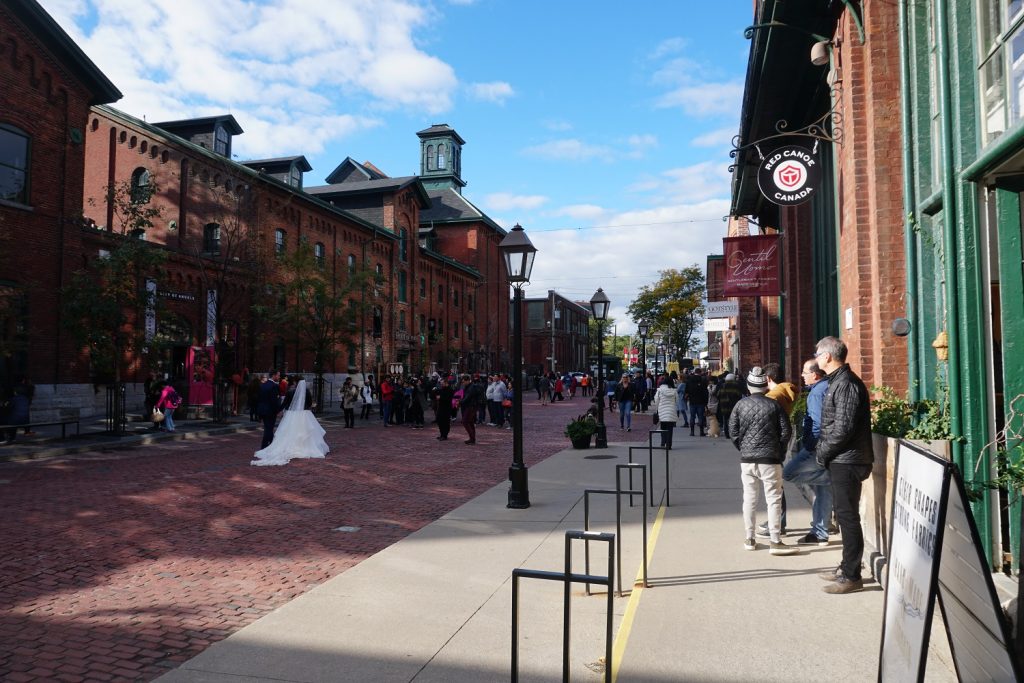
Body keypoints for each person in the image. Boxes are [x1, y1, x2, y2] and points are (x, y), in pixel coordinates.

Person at [814, 336, 874, 594]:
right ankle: (846, 566)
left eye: (817, 354)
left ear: (828, 356)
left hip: (847, 459)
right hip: (841, 458)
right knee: (844, 514)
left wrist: (823, 451)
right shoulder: (838, 381)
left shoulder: (847, 384)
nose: (816, 358)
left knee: (848, 517)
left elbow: (843, 428)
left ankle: (851, 575)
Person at [728, 366, 798, 556]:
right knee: (773, 499)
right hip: (770, 459)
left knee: (749, 498)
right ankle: (775, 540)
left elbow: (732, 432)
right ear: (765, 386)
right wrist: (780, 451)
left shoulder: (740, 406)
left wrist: (743, 448)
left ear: (749, 387)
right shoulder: (773, 405)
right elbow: (786, 431)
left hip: (748, 459)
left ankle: (750, 538)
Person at [784, 358, 832, 546]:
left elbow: (817, 423)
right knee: (822, 491)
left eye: (805, 372)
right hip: (827, 447)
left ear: (815, 374)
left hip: (816, 447)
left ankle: (830, 477)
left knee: (788, 473)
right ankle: (820, 532)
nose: (802, 376)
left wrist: (811, 446)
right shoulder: (827, 387)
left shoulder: (816, 393)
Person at [252, 379, 329, 466]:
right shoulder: (306, 391)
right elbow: (310, 402)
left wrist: (278, 410)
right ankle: (303, 447)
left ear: (296, 383)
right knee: (304, 431)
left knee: (290, 431)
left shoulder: (290, 392)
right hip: (304, 414)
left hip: (291, 414)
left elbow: (285, 403)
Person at [256, 370, 283, 448]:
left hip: (263, 410)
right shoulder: (274, 386)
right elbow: (274, 400)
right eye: (278, 375)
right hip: (270, 411)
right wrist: (278, 410)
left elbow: (259, 398)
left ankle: (270, 445)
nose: (279, 377)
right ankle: (264, 446)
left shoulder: (263, 385)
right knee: (269, 429)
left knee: (268, 428)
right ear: (273, 375)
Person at [459, 374, 485, 444]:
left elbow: (468, 397)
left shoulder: (471, 387)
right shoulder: (468, 387)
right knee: (470, 422)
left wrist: (460, 402)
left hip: (471, 406)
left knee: (465, 421)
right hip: (470, 406)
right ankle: (472, 439)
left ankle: (472, 438)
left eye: (464, 381)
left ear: (468, 381)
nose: (463, 383)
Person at [653, 376, 678, 449]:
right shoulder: (674, 391)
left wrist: (657, 409)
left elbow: (656, 400)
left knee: (663, 427)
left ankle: (663, 442)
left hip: (662, 411)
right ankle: (669, 445)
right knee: (670, 429)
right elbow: (677, 400)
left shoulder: (660, 390)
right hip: (671, 411)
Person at [685, 369, 709, 436]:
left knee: (692, 416)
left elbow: (686, 391)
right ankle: (701, 432)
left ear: (694, 372)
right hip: (701, 401)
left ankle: (692, 432)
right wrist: (706, 402)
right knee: (700, 416)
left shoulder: (689, 381)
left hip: (692, 401)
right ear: (700, 372)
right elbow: (705, 392)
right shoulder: (703, 380)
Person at [718, 373, 743, 438]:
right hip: (733, 406)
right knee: (734, 420)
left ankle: (727, 434)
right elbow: (739, 395)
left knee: (725, 420)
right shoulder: (736, 385)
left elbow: (718, 395)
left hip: (724, 406)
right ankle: (733, 433)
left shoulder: (722, 385)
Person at [434, 376, 455, 440]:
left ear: (446, 383)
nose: (441, 384)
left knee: (445, 421)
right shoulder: (442, 389)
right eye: (441, 383)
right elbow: (436, 394)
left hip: (447, 408)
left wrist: (440, 398)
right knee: (439, 420)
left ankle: (444, 435)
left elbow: (448, 399)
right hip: (441, 407)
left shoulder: (450, 390)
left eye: (442, 383)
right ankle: (441, 434)